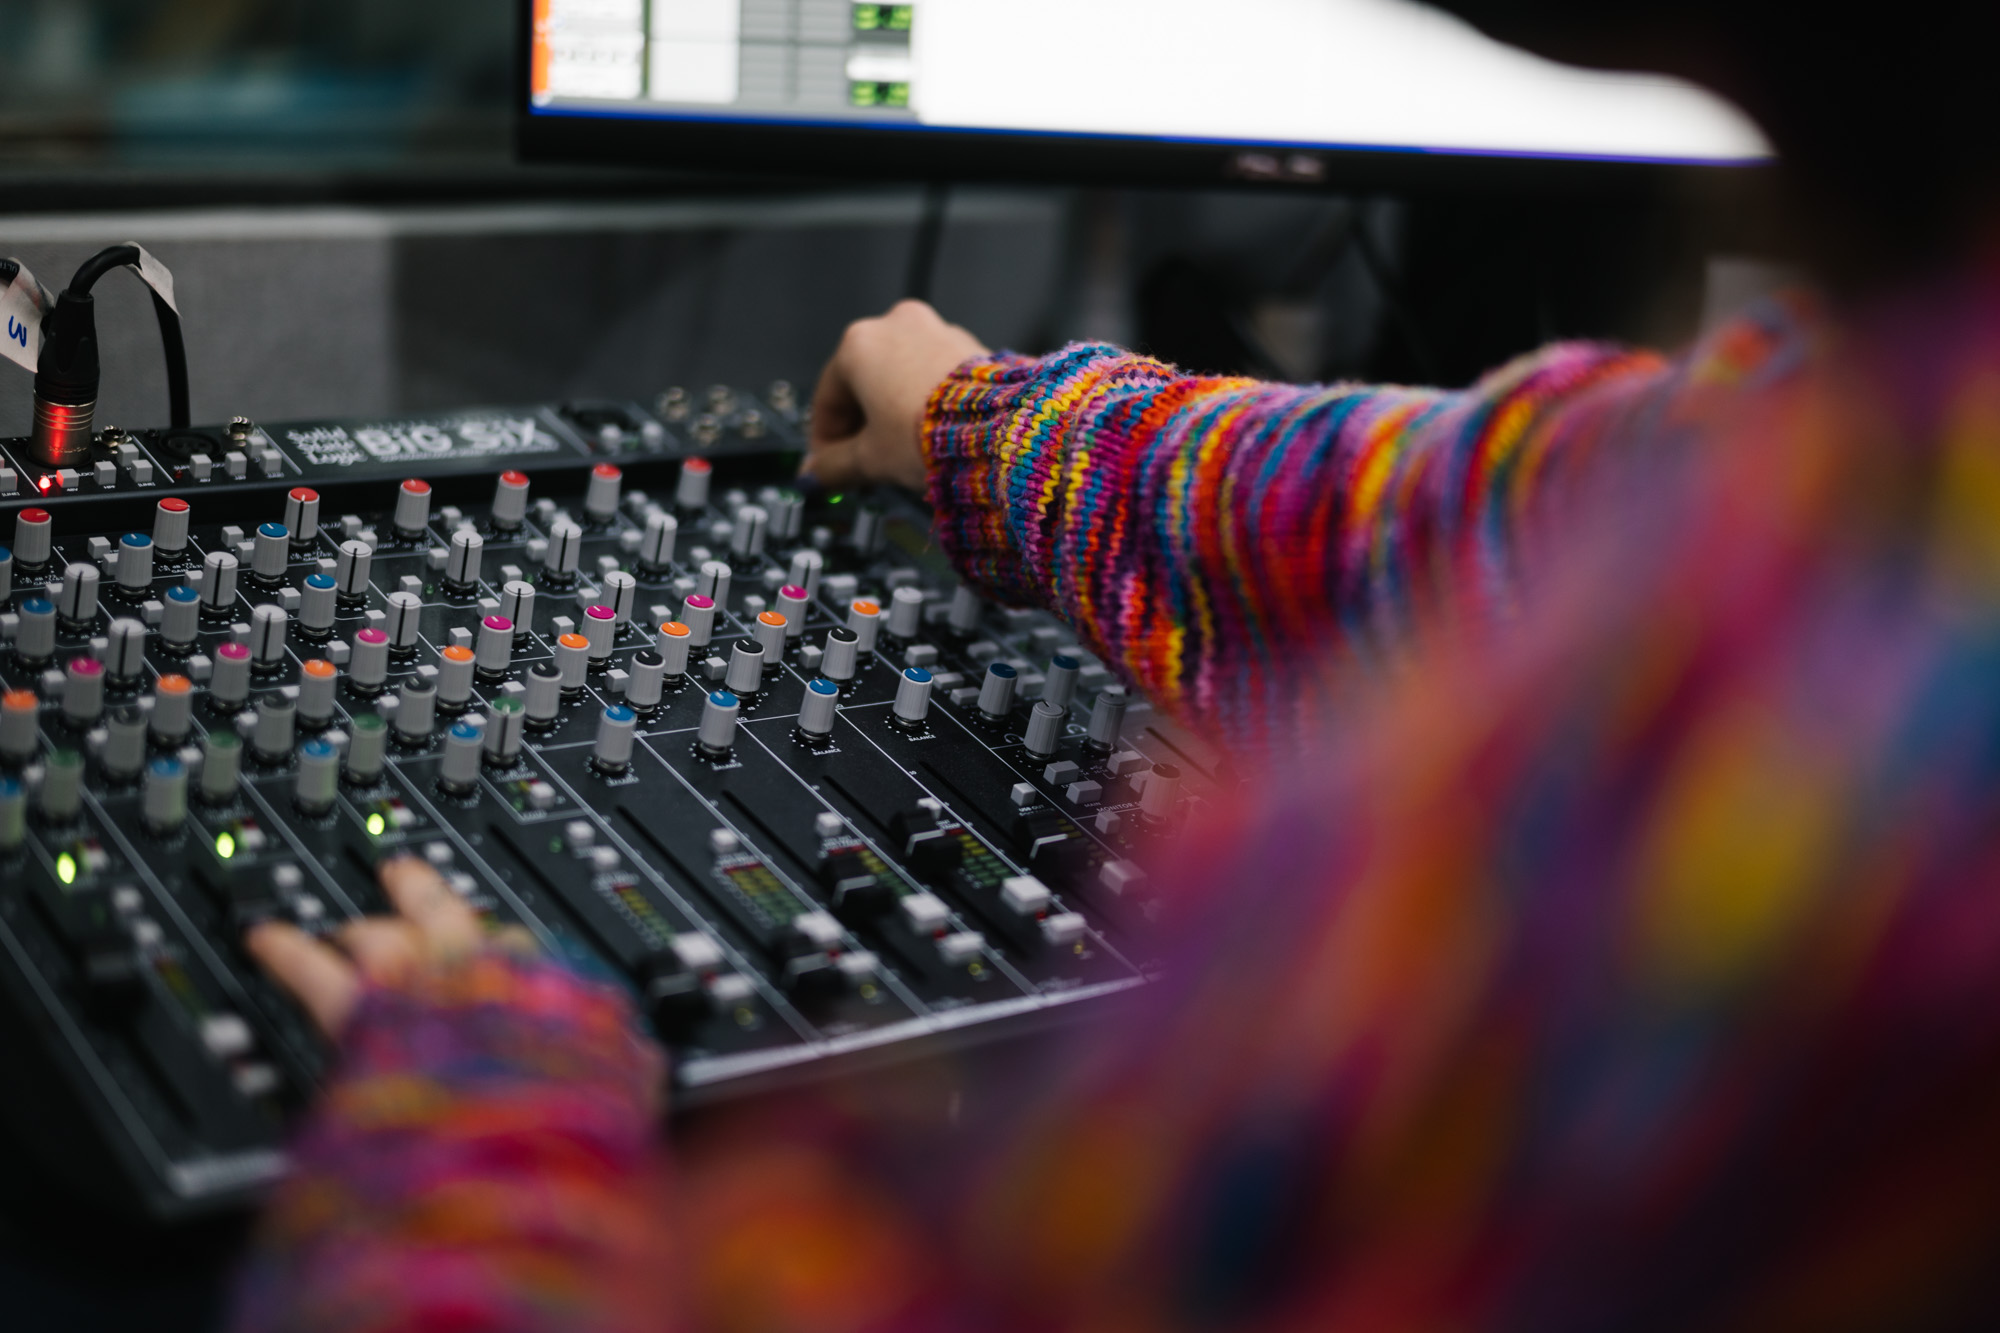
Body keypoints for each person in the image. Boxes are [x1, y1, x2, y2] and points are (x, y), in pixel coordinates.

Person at [236, 4, 2000, 1330]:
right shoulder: (1878, 458)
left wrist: (475, 1140)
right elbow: (1497, 512)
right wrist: (990, 426)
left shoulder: (1817, 797)